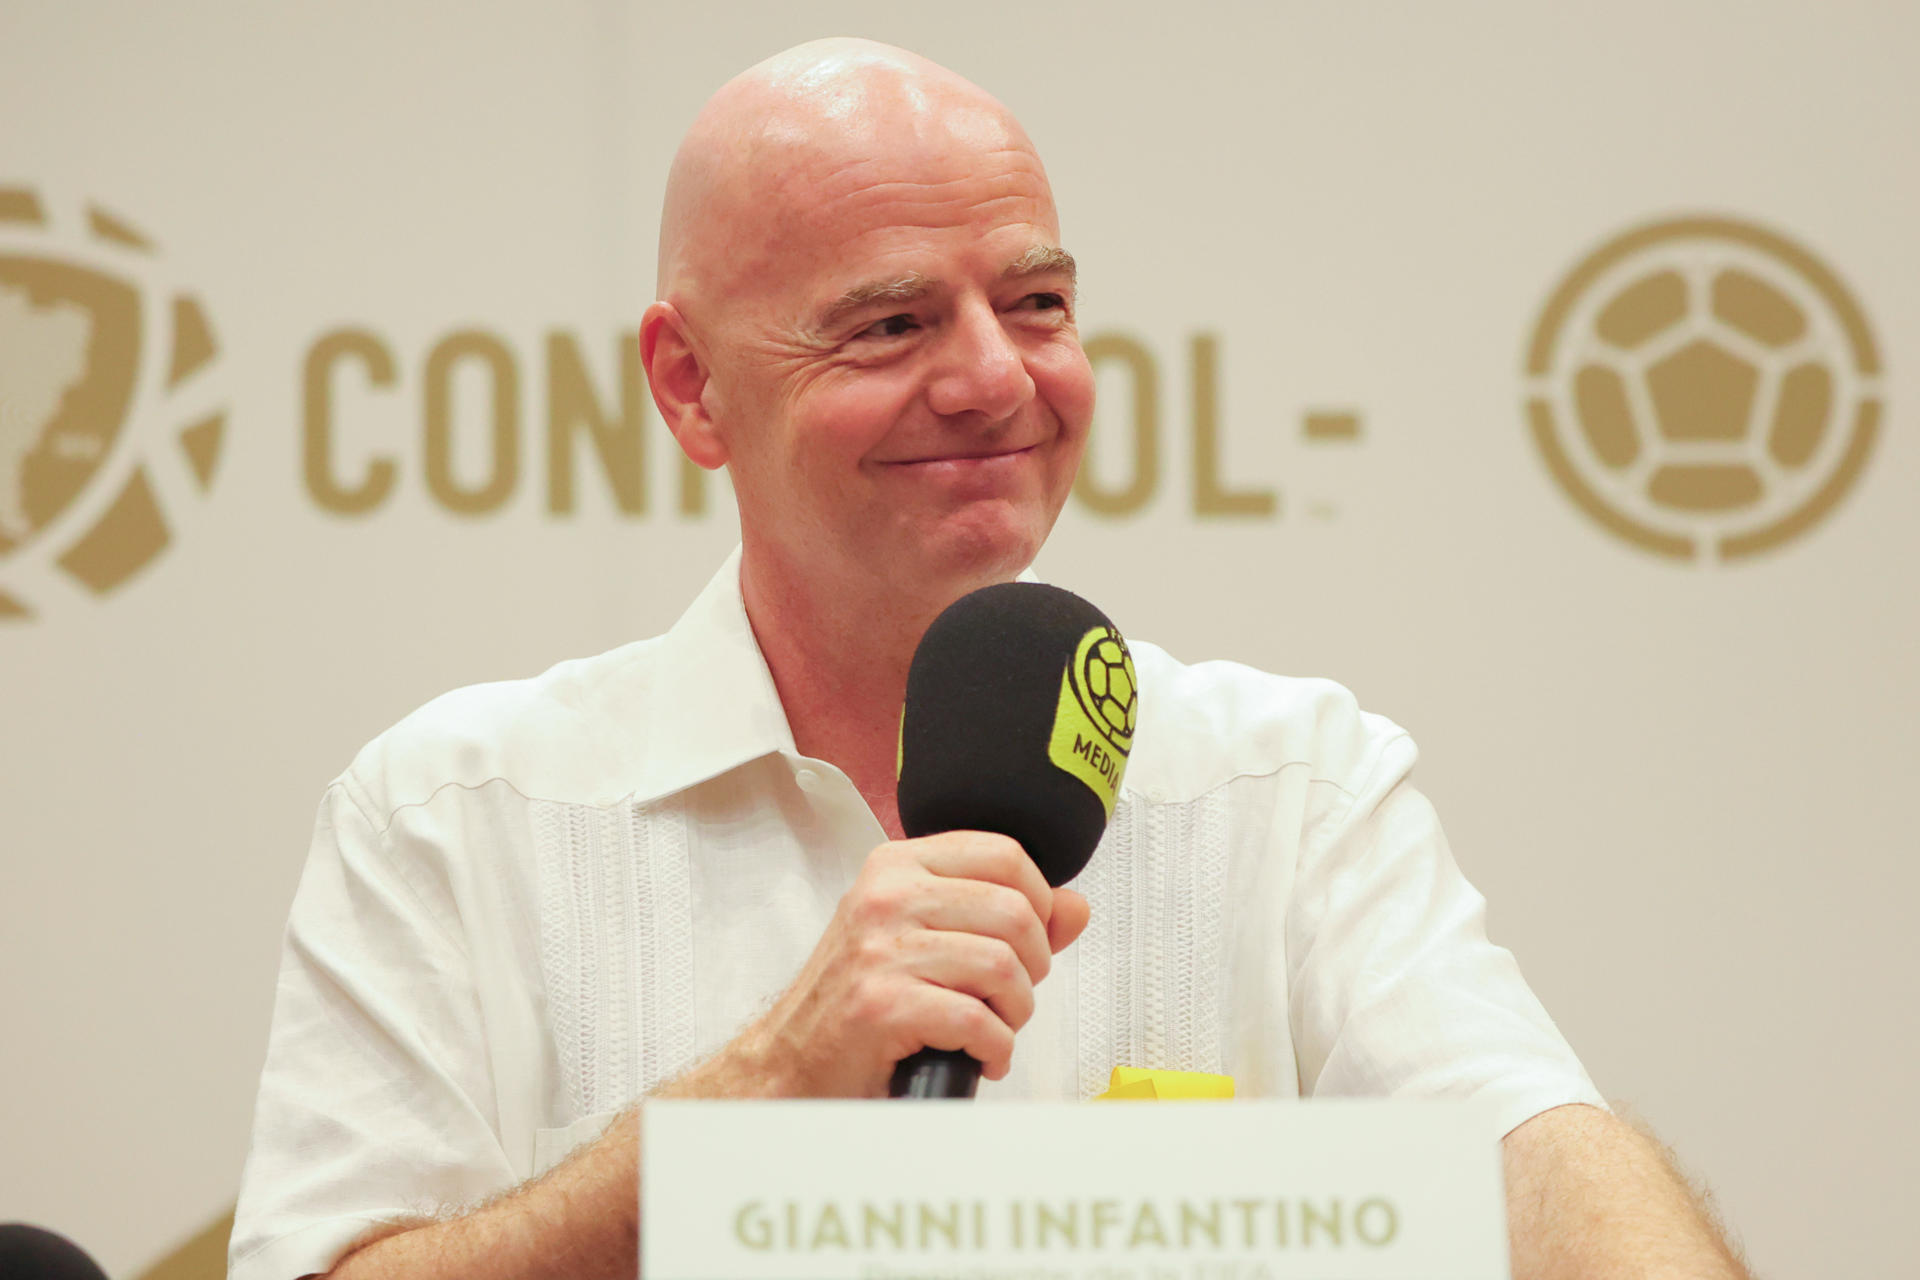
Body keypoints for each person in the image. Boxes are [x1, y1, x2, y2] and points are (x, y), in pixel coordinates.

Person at [229, 38, 1751, 1280]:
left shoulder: (1291, 781)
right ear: (691, 388)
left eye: (1038, 303)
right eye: (888, 325)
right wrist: (766, 1093)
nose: (995, 377)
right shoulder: (450, 811)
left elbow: (1533, 1163)